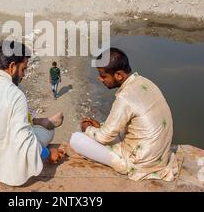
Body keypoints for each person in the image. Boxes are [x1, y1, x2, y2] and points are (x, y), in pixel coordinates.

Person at [0, 41, 65, 186]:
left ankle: (38, 121)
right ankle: (44, 123)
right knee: (48, 132)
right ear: (12, 67)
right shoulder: (14, 93)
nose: (24, 75)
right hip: (1, 160)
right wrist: (48, 153)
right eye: (23, 69)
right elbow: (25, 143)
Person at [70, 48, 178, 181]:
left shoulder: (125, 98)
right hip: (159, 158)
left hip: (138, 163)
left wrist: (87, 128)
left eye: (104, 76)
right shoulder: (146, 82)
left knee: (76, 139)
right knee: (107, 132)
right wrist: (101, 126)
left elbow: (104, 137)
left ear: (119, 75)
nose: (100, 79)